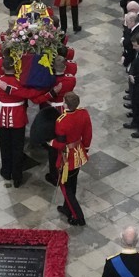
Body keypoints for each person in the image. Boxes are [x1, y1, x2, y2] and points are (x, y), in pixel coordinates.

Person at [50, 91, 92, 226]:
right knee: (72, 183)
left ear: (65, 104)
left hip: (67, 158)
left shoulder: (61, 121)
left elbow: (61, 144)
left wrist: (50, 142)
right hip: (78, 153)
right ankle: (67, 208)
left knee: (66, 188)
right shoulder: (83, 113)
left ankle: (78, 216)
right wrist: (85, 149)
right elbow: (87, 133)